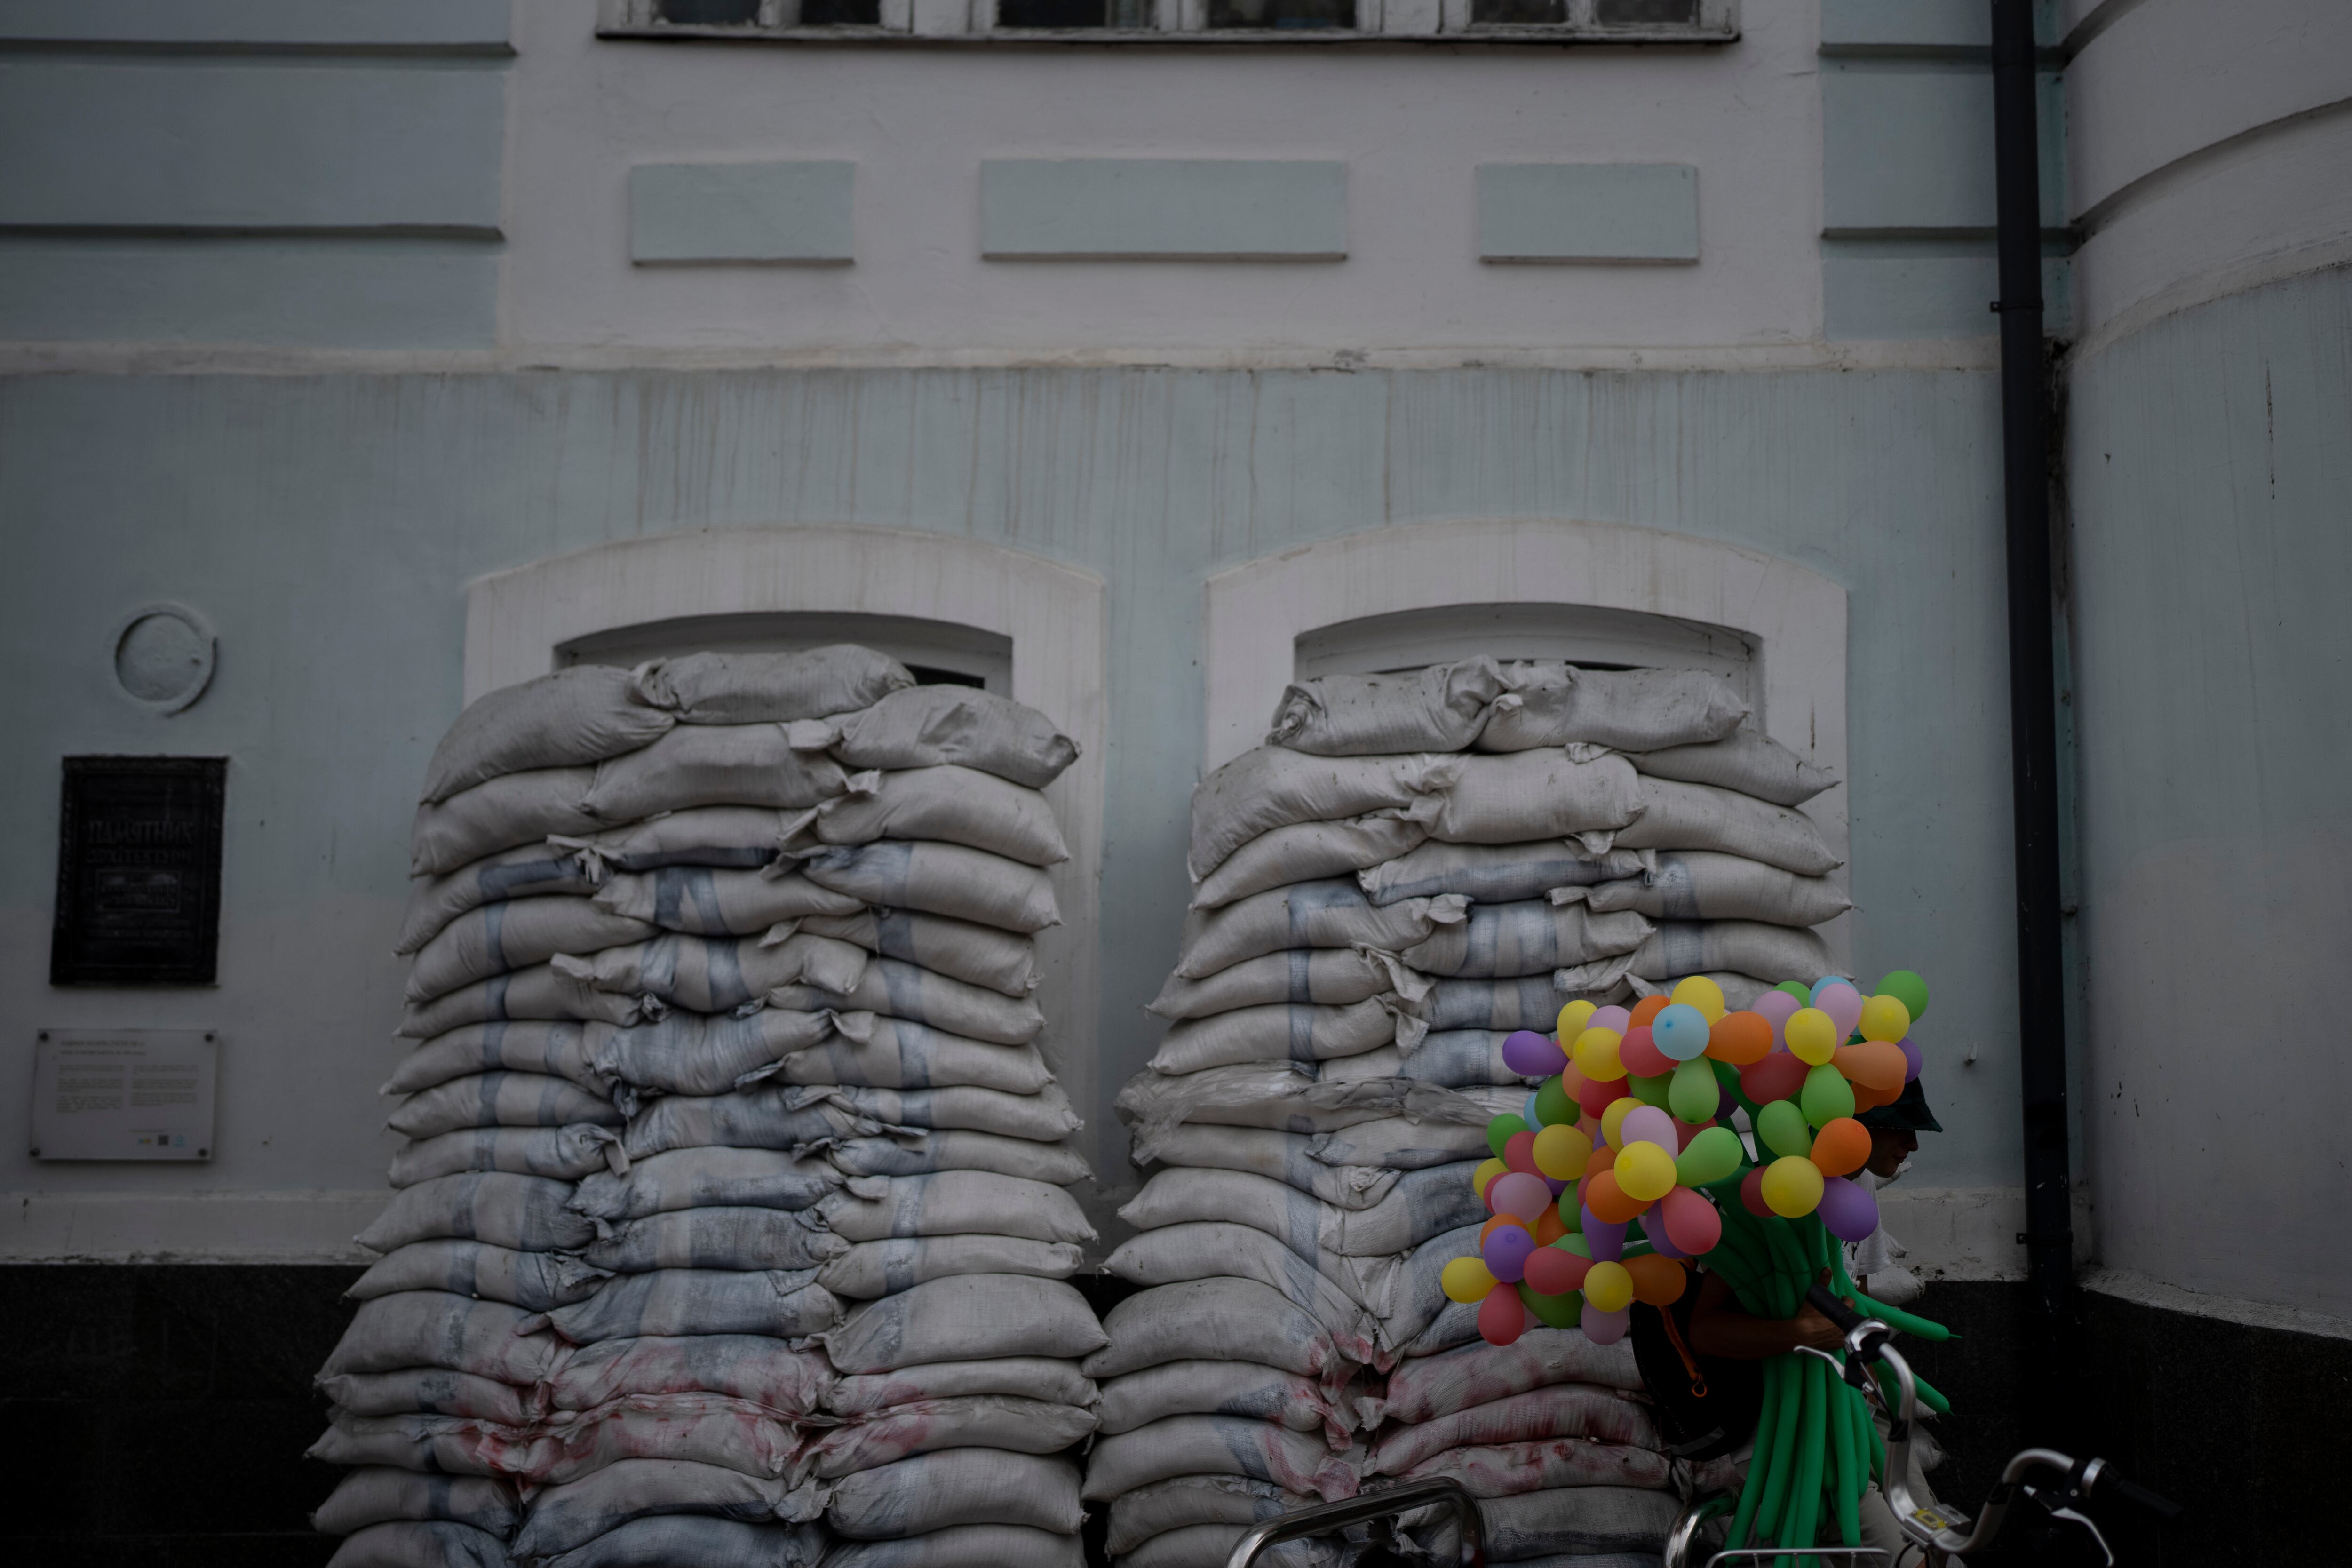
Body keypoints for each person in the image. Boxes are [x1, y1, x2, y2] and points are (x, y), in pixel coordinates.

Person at [1628, 1076, 1955, 1566]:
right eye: (1898, 1128)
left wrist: (1863, 1388)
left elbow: (1855, 1300)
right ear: (1854, 1126)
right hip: (1791, 1438)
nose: (1910, 1144)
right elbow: (1706, 1329)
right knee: (1902, 1555)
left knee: (1939, 1538)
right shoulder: (1770, 1195)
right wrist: (1799, 1332)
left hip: (1856, 1417)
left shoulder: (1859, 1186)